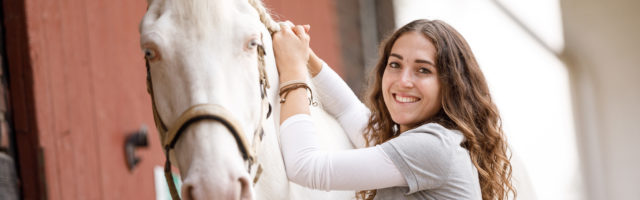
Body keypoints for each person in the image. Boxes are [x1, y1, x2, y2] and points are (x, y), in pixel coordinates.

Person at [272, 19, 515, 200]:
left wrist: (292, 69)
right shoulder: (432, 142)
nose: (403, 81)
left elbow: (306, 168)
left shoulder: (432, 147)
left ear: (450, 84)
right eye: (395, 64)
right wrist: (305, 56)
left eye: (423, 70)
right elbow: (347, 109)